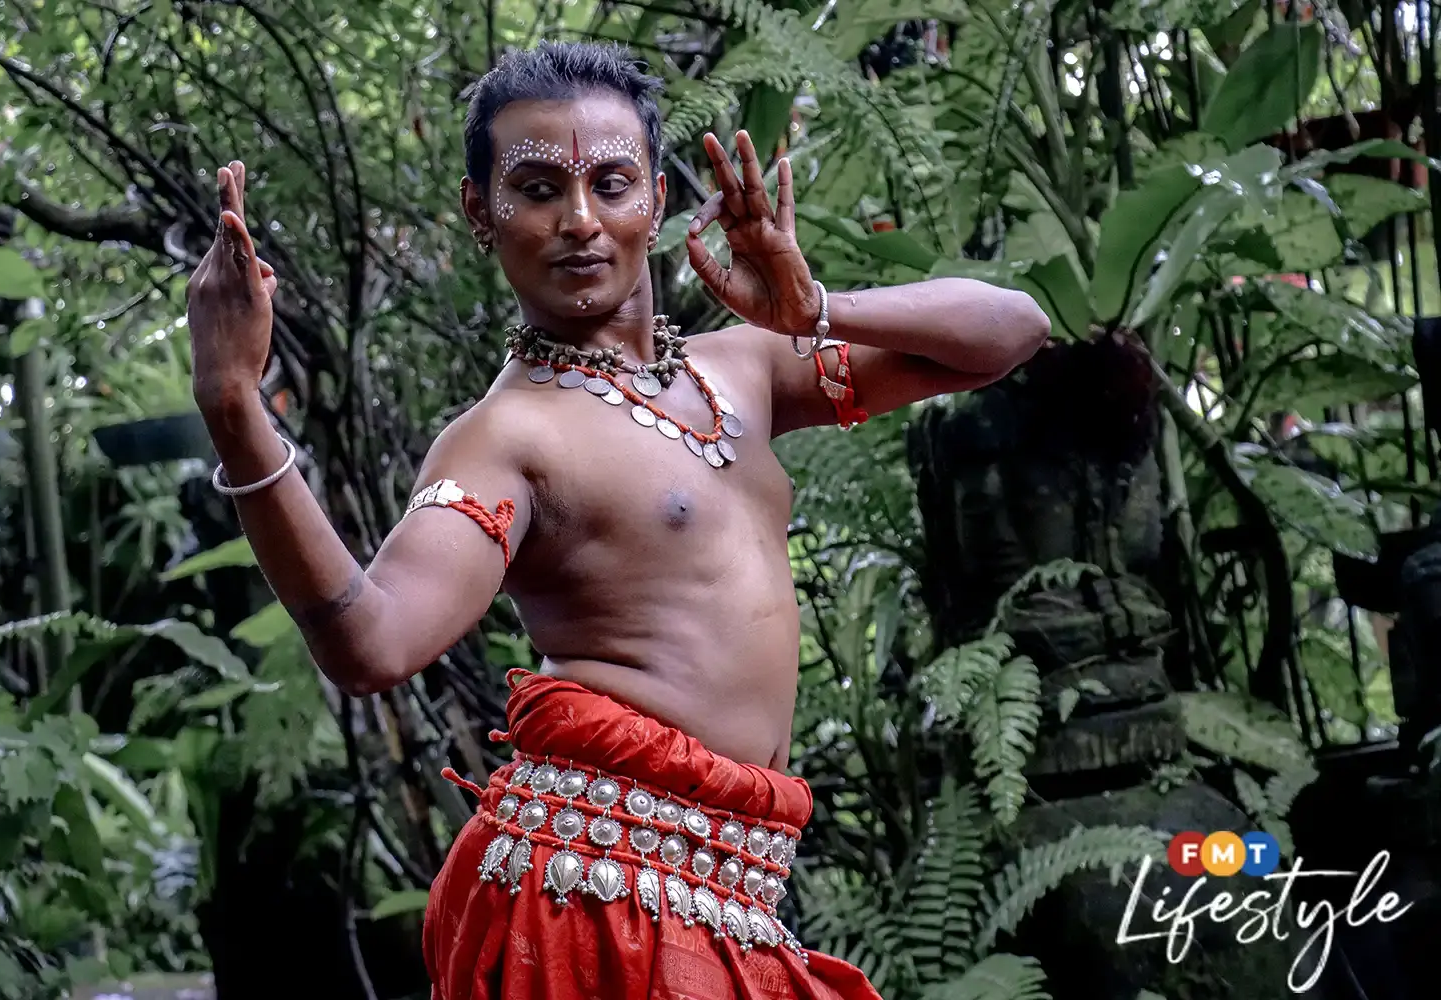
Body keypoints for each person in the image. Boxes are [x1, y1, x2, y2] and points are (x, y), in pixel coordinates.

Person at [185, 40, 1049, 1000]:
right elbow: (371, 642)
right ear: (483, 214)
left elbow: (1010, 332)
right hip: (590, 902)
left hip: (726, 896)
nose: (581, 222)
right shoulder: (506, 439)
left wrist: (816, 306)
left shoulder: (744, 372)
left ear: (658, 202)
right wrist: (236, 409)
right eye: (541, 188)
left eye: (611, 181)